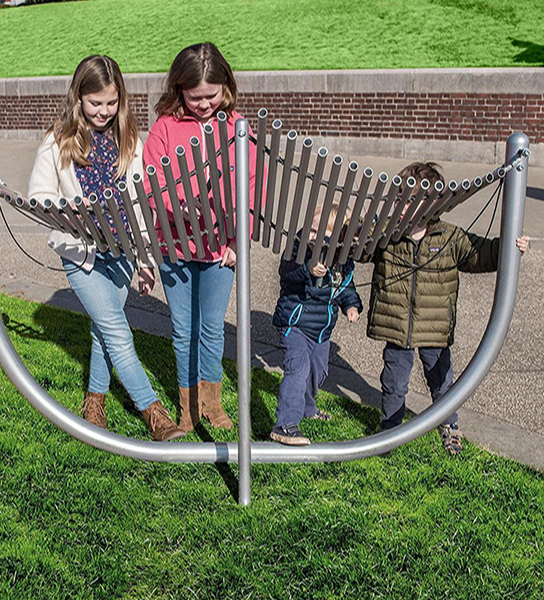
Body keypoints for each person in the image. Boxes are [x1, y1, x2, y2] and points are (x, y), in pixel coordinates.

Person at [28, 55, 184, 441]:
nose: (104, 111)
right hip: (80, 254)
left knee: (104, 326)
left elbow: (141, 205)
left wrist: (145, 260)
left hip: (123, 251)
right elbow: (38, 196)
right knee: (117, 329)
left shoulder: (129, 140)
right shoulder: (57, 140)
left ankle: (94, 401)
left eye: (112, 102)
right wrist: (71, 207)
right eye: (95, 103)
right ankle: (154, 412)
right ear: (78, 98)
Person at [365, 161, 530, 454]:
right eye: (399, 196)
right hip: (397, 326)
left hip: (435, 328)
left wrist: (511, 246)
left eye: (408, 199)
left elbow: (482, 255)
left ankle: (449, 424)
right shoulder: (388, 234)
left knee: (441, 381)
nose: (400, 204)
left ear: (430, 205)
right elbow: (361, 250)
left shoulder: (450, 237)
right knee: (393, 382)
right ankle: (389, 431)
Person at [143, 42, 258, 433]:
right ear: (179, 90)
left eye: (212, 95)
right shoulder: (165, 127)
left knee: (211, 327)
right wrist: (184, 208)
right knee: (183, 330)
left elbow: (250, 187)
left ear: (226, 87)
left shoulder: (238, 127)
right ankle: (188, 407)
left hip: (220, 250)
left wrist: (238, 240)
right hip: (174, 246)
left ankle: (211, 402)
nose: (205, 104)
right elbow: (153, 182)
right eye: (195, 97)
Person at [270, 205, 363, 445]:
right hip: (296, 325)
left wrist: (351, 306)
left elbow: (345, 288)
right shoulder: (299, 247)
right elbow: (286, 271)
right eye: (312, 228)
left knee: (317, 371)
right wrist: (307, 268)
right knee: (298, 369)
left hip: (321, 330)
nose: (312, 235)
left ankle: (307, 408)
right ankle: (285, 425)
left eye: (320, 232)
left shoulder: (342, 262)